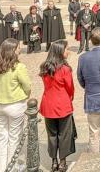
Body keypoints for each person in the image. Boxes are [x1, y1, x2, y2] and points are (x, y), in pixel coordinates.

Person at [0, 39, 31, 172]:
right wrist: (26, 95)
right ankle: (12, 167)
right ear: (13, 50)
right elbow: (27, 86)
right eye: (18, 48)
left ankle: (1, 168)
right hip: (15, 104)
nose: (20, 50)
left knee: (2, 137)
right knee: (14, 138)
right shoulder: (19, 67)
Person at [40, 40, 76, 172]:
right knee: (64, 134)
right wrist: (69, 98)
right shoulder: (65, 69)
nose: (68, 51)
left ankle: (53, 161)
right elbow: (70, 88)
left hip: (48, 104)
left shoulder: (45, 67)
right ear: (60, 51)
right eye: (66, 49)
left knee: (52, 135)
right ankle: (62, 162)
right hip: (62, 105)